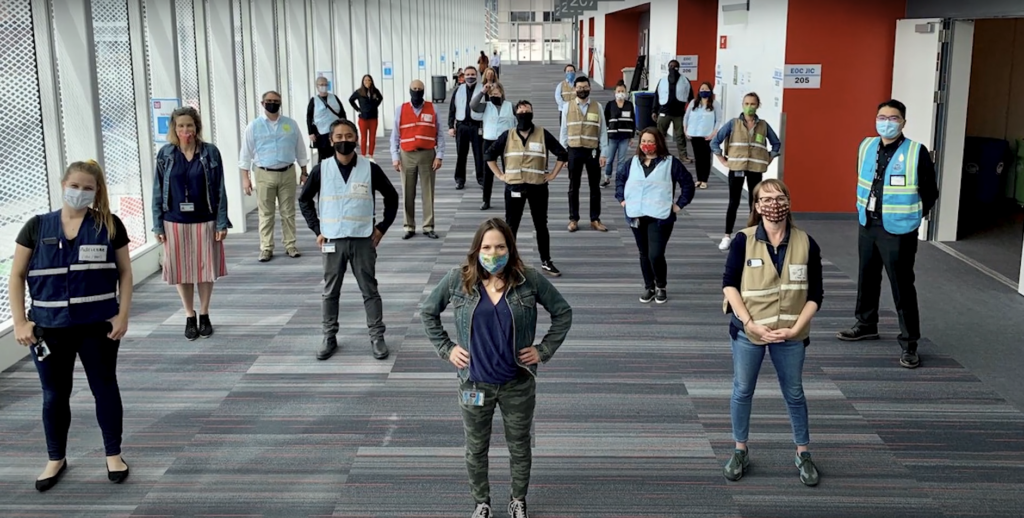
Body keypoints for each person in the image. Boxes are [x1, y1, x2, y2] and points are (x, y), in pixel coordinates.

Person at [421, 218, 573, 518]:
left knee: (519, 446)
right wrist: (447, 349)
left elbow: (563, 313)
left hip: (517, 383)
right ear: (477, 249)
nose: (493, 253)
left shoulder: (528, 280)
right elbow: (429, 313)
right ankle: (482, 502)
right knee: (476, 447)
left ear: (510, 248)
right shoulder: (458, 279)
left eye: (500, 246)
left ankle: (518, 499)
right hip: (474, 385)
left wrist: (543, 351)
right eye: (487, 247)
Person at [9, 160, 133, 492]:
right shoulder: (36, 226)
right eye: (74, 186)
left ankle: (113, 453)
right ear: (63, 185)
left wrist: (122, 315)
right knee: (54, 394)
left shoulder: (109, 224)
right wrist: (20, 321)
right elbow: (17, 276)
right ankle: (55, 458)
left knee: (104, 387)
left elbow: (125, 272)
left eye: (87, 188)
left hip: (98, 326)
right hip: (49, 328)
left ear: (97, 191)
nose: (80, 192)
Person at [720, 178, 823, 487]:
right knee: (743, 390)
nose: (772, 204)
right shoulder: (743, 239)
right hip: (749, 332)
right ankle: (740, 450)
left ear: (788, 203)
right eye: (765, 199)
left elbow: (816, 294)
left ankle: (803, 452)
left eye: (779, 198)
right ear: (756, 205)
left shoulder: (806, 242)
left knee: (794, 392)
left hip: (791, 334)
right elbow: (729, 285)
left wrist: (796, 328)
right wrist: (750, 324)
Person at [836, 99, 939, 369]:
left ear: (903, 122)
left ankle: (909, 343)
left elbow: (930, 192)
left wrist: (912, 216)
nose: (887, 122)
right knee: (867, 277)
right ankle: (866, 323)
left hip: (899, 230)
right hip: (868, 223)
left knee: (902, 285)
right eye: (882, 117)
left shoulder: (917, 152)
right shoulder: (866, 145)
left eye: (893, 118)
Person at [299, 119, 399, 361]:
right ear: (331, 140)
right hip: (332, 240)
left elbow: (392, 197)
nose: (344, 141)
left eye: (349, 136)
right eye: (339, 137)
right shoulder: (321, 169)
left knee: (369, 289)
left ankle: (377, 336)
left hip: (364, 238)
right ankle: (329, 336)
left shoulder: (369, 168)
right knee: (330, 291)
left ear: (357, 139)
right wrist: (317, 229)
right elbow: (304, 200)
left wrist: (382, 228)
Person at [153, 107, 231, 340]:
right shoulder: (165, 154)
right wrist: (157, 224)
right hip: (174, 221)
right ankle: (189, 314)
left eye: (189, 125)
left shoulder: (210, 153)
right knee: (182, 271)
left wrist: (221, 222)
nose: (185, 130)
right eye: (180, 126)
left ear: (196, 127)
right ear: (174, 129)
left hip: (204, 219)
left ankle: (205, 313)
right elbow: (157, 190)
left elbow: (220, 189)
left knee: (205, 269)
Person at [485, 100, 568, 277]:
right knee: (511, 226)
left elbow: (562, 153)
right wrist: (500, 175)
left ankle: (546, 261)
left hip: (537, 187)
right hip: (514, 186)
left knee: (541, 225)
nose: (524, 114)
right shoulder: (507, 135)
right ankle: (507, 263)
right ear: (516, 115)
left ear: (532, 113)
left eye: (527, 111)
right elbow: (489, 155)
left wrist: (552, 174)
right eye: (521, 111)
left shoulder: (542, 133)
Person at [615, 128, 695, 303]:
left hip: (660, 217)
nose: (646, 145)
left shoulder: (670, 163)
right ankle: (649, 287)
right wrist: (622, 199)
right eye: (643, 141)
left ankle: (661, 285)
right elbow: (619, 180)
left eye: (650, 141)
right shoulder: (632, 162)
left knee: (656, 254)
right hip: (636, 215)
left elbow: (688, 184)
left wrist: (679, 205)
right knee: (644, 253)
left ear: (658, 142)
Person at [240, 90, 309, 262]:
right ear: (263, 104)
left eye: (276, 100)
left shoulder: (290, 124)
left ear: (281, 103)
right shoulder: (253, 126)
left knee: (288, 211)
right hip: (264, 173)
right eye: (269, 100)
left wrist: (304, 171)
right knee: (266, 213)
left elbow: (300, 148)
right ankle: (266, 247)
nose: (273, 103)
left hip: (287, 172)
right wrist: (245, 178)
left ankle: (290, 245)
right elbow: (245, 154)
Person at [710, 92, 781, 251]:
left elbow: (776, 144)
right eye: (747, 103)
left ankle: (755, 234)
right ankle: (727, 236)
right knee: (733, 202)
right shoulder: (733, 124)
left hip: (755, 168)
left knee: (755, 203)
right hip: (737, 168)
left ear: (758, 106)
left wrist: (769, 159)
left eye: (753, 104)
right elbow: (715, 142)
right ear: (743, 105)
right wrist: (722, 160)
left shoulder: (763, 125)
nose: (750, 107)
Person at [391, 79, 446, 239]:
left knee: (428, 191)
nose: (417, 91)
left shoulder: (433, 108)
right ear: (409, 90)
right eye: (414, 88)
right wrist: (395, 157)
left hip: (427, 154)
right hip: (406, 154)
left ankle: (428, 226)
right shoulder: (400, 109)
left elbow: (440, 134)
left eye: (419, 89)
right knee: (407, 191)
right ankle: (409, 226)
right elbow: (395, 135)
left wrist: (440, 155)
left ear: (423, 91)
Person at [559, 74, 609, 232]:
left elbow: (603, 132)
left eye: (585, 87)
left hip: (593, 151)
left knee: (595, 187)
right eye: (579, 88)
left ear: (590, 88)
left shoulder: (598, 106)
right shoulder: (567, 107)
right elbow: (563, 131)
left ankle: (595, 219)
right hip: (573, 150)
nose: (582, 90)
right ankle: (573, 219)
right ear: (574, 89)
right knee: (574, 186)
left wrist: (604, 153)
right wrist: (563, 154)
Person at [471, 80, 515, 210]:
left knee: (509, 170)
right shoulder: (486, 106)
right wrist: (482, 91)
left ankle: (511, 197)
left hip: (506, 141)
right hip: (489, 141)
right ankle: (486, 200)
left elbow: (518, 121)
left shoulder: (510, 106)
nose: (494, 96)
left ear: (501, 93)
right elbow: (473, 105)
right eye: (492, 94)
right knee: (488, 172)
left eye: (497, 93)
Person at [449, 66, 485, 189]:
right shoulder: (458, 90)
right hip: (462, 126)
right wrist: (451, 126)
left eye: (472, 74)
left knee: (479, 154)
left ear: (477, 75)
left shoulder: (483, 90)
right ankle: (460, 180)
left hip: (477, 126)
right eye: (468, 74)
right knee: (461, 154)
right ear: (464, 76)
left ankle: (482, 179)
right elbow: (452, 109)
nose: (470, 76)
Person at [652, 60, 693, 162]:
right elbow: (656, 96)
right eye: (671, 66)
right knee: (660, 135)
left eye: (675, 66)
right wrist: (654, 110)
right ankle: (658, 153)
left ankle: (683, 156)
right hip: (664, 112)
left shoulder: (685, 80)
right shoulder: (662, 80)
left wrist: (692, 112)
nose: (673, 68)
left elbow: (691, 97)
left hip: (679, 113)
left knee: (680, 136)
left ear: (679, 68)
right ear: (668, 67)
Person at [683, 81, 722, 189]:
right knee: (698, 157)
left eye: (706, 89)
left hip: (707, 135)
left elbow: (718, 120)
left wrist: (713, 133)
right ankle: (699, 179)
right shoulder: (693, 103)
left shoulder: (714, 104)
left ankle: (705, 180)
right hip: (694, 134)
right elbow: (686, 117)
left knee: (706, 158)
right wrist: (685, 129)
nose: (704, 91)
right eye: (702, 89)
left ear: (710, 91)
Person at [306, 75, 347, 165]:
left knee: (336, 152)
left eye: (325, 84)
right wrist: (310, 132)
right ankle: (323, 173)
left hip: (335, 131)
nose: (324, 86)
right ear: (317, 86)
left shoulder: (334, 97)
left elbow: (342, 113)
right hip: (321, 133)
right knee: (323, 155)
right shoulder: (314, 100)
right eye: (321, 84)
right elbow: (309, 116)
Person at [602, 80, 636, 187]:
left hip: (624, 137)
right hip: (612, 137)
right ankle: (607, 178)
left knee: (621, 161)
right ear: (615, 92)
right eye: (619, 91)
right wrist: (604, 135)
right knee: (609, 159)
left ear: (625, 92)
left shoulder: (629, 105)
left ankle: (619, 180)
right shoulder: (610, 105)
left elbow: (633, 121)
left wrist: (632, 137)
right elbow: (605, 120)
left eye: (623, 91)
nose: (621, 92)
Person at [348, 74, 384, 158]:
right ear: (363, 82)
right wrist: (357, 109)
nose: (367, 82)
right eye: (365, 80)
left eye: (369, 80)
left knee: (372, 138)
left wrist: (376, 105)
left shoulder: (375, 91)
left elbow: (380, 98)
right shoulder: (359, 91)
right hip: (363, 118)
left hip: (373, 117)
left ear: (371, 81)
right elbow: (351, 100)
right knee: (363, 138)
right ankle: (363, 155)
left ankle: (371, 154)